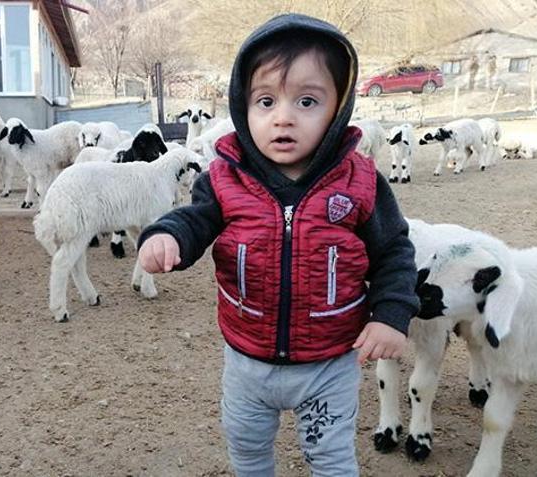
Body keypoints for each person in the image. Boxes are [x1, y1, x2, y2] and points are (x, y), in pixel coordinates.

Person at [137, 13, 419, 477]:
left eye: (307, 101)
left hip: (329, 364)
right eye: (265, 101)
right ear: (242, 105)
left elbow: (394, 252)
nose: (283, 117)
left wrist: (392, 314)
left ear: (338, 108)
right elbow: (195, 219)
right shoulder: (226, 178)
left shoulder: (360, 182)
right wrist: (166, 236)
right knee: (248, 455)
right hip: (247, 364)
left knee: (331, 461)